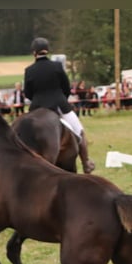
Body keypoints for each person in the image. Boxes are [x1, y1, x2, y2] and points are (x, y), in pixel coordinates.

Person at [22, 36, 95, 173]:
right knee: (79, 131)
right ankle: (86, 162)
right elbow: (66, 87)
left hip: (37, 107)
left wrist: (38, 101)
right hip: (59, 105)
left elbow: (28, 93)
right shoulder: (56, 66)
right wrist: (62, 98)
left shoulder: (29, 70)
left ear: (34, 52)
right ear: (47, 51)